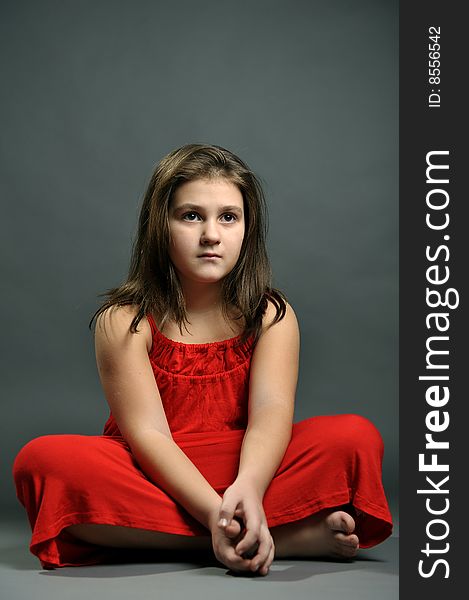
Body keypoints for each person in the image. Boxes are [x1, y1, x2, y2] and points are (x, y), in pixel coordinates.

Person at [13, 143, 393, 575]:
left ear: (247, 229)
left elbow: (271, 415)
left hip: (245, 462)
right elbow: (149, 436)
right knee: (44, 461)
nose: (211, 234)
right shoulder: (122, 321)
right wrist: (215, 512)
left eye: (228, 217)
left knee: (352, 437)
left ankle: (209, 527)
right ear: (161, 226)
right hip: (151, 469)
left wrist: (248, 485)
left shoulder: (271, 315)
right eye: (191, 215)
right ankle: (275, 537)